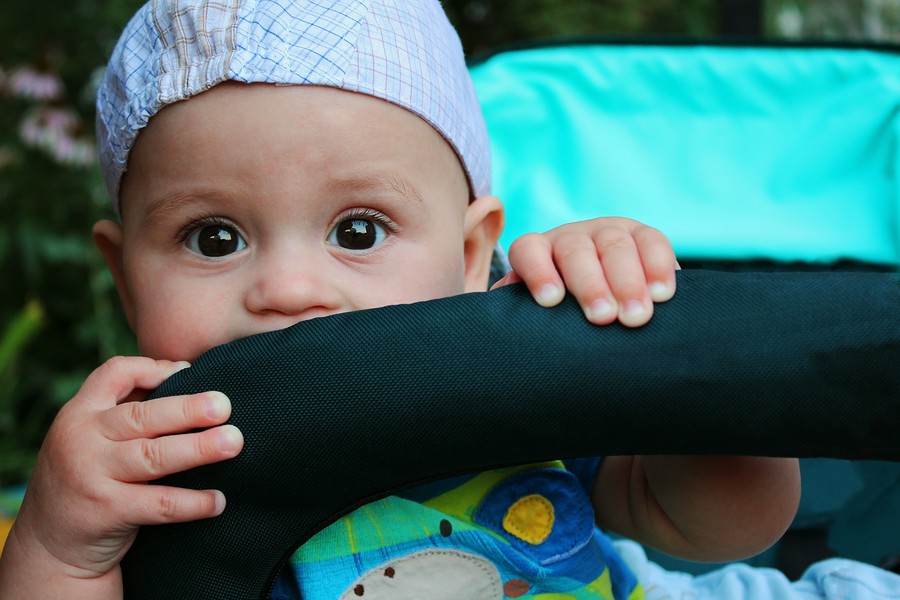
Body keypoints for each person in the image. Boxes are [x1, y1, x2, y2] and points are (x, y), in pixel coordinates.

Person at [3, 0, 878, 597]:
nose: (290, 290)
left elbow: (722, 522)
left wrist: (651, 344)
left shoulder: (517, 383)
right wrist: (58, 544)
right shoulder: (152, 463)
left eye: (358, 231)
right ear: (125, 278)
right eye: (214, 239)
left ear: (471, 254)